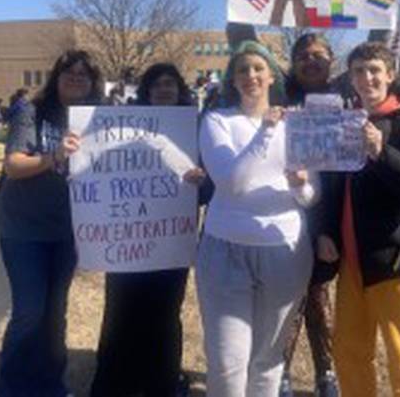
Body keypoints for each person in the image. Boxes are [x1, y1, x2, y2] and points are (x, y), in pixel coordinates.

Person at [316, 41, 400, 397]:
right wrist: (325, 232)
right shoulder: (346, 119)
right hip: (350, 261)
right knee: (348, 352)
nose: (367, 77)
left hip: (395, 260)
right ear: (350, 77)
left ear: (390, 75)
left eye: (374, 70)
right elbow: (332, 184)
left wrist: (381, 153)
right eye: (358, 70)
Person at [197, 40, 316, 397]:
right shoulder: (217, 121)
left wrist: (300, 186)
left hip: (285, 250)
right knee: (226, 362)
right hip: (224, 250)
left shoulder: (297, 124)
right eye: (242, 69)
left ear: (271, 76)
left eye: (258, 68)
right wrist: (265, 131)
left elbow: (312, 195)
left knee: (268, 359)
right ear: (232, 79)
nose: (251, 75)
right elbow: (232, 182)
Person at [90, 62, 205, 397]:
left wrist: (202, 181)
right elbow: (101, 168)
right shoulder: (122, 126)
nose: (164, 90)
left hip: (170, 237)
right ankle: (114, 383)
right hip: (127, 236)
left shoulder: (194, 128)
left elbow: (211, 187)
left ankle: (162, 382)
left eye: (170, 83)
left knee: (166, 312)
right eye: (157, 85)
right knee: (121, 310)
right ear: (147, 92)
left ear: (179, 89)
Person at [0, 50, 103, 397]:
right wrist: (55, 155)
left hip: (67, 230)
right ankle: (12, 390)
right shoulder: (32, 114)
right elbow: (13, 166)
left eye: (84, 74)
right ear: (56, 77)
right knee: (29, 311)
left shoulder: (98, 120)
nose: (76, 77)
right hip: (23, 227)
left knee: (56, 312)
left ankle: (51, 386)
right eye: (69, 72)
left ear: (93, 82)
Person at [280, 33, 339, 397]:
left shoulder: (344, 94)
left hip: (327, 213)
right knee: (287, 301)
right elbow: (244, 45)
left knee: (318, 298)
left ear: (332, 59)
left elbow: (382, 53)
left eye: (318, 54)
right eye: (303, 55)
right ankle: (280, 372)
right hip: (282, 215)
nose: (311, 61)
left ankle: (326, 374)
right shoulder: (277, 94)